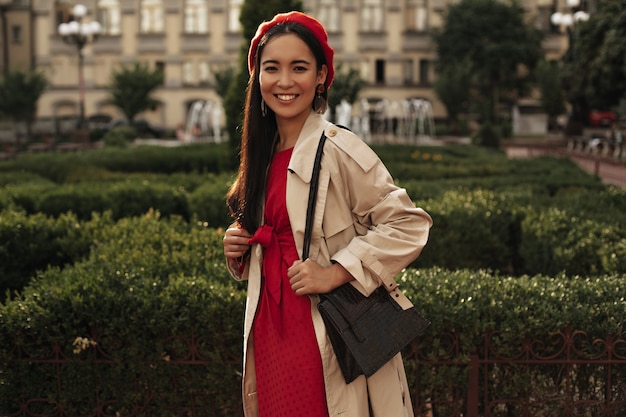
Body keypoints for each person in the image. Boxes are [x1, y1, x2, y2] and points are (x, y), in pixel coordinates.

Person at [222, 11, 432, 417]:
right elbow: (281, 239)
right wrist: (239, 248)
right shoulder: (262, 156)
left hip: (320, 335)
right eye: (272, 68)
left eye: (298, 68)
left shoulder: (339, 148)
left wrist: (337, 271)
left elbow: (408, 223)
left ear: (321, 76)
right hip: (269, 327)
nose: (284, 81)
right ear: (257, 77)